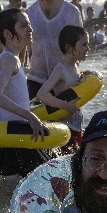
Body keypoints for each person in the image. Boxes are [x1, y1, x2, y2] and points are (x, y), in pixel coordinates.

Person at [0, 8, 52, 177]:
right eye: (23, 26)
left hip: (7, 132)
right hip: (16, 132)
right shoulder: (9, 59)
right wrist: (30, 116)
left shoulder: (9, 57)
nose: (30, 29)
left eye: (29, 24)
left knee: (10, 189)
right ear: (7, 34)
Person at [25, 0, 84, 100]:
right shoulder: (29, 14)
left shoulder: (71, 12)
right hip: (36, 81)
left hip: (64, 81)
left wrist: (74, 74)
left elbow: (81, 48)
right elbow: (22, 50)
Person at [35, 24, 89, 153]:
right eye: (84, 45)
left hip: (76, 125)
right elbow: (41, 94)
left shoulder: (76, 65)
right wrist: (65, 105)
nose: (88, 48)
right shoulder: (60, 70)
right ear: (70, 48)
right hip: (65, 128)